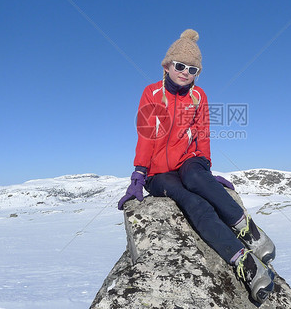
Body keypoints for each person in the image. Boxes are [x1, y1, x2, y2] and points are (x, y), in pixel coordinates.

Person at [118, 29, 276, 304]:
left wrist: (206, 170)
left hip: (189, 161)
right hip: (159, 173)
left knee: (196, 178)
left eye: (192, 69)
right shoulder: (151, 93)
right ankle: (246, 264)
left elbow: (203, 133)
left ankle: (249, 231)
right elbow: (145, 134)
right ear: (167, 66)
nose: (185, 72)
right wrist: (139, 174)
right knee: (193, 202)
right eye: (180, 66)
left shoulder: (198, 96)